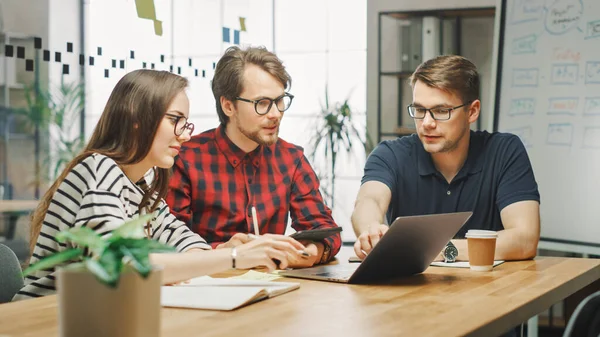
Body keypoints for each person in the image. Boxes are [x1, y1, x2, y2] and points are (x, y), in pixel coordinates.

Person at [14, 69, 306, 301]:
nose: (185, 134)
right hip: (45, 317)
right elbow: (123, 266)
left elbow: (182, 240)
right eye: (176, 120)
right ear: (138, 119)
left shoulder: (143, 185)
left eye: (186, 122)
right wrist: (232, 257)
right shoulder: (97, 168)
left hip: (100, 313)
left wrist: (223, 253)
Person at [352, 55, 541, 262]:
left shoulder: (504, 151)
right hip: (414, 291)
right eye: (420, 110)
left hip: (490, 291)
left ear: (472, 111)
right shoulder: (390, 154)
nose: (427, 123)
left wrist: (435, 249)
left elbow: (524, 239)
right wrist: (371, 230)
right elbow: (370, 199)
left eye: (441, 111)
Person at [166, 46, 341, 267]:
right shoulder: (187, 158)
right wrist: (224, 252)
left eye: (280, 101)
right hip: (206, 287)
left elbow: (325, 229)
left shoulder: (290, 158)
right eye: (263, 103)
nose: (276, 113)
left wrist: (309, 252)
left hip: (275, 289)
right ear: (228, 106)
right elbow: (167, 242)